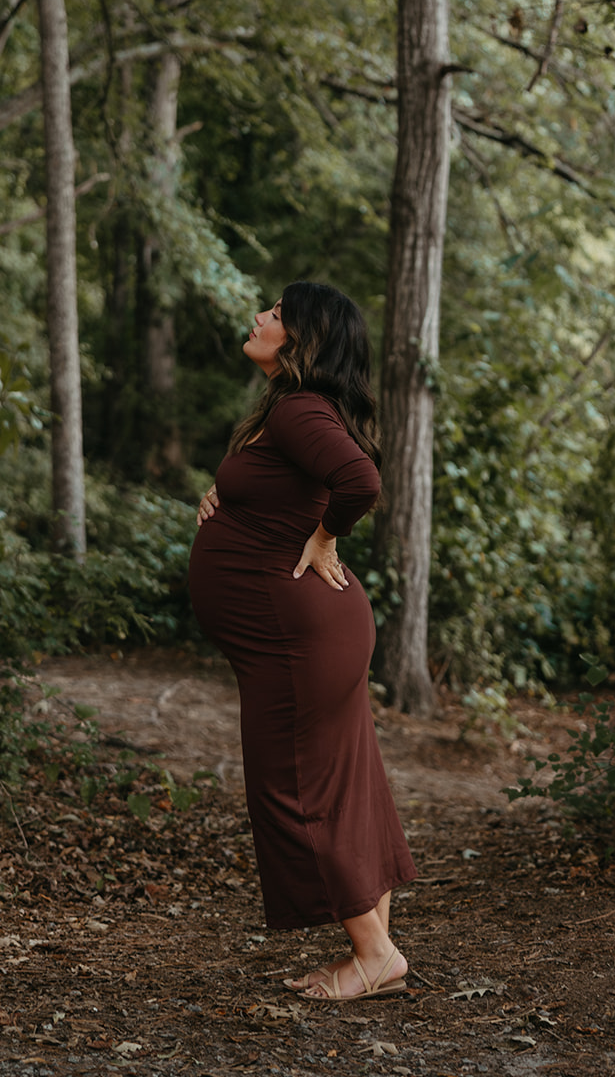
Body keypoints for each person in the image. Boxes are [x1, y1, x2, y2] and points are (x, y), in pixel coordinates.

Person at [188, 281, 417, 1001]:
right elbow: (291, 489)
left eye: (277, 314)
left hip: (298, 637)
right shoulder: (289, 412)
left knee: (292, 784)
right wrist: (224, 498)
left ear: (301, 340)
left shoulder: (297, 411)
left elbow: (357, 479)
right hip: (310, 632)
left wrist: (323, 537)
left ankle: (374, 955)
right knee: (344, 783)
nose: (260, 318)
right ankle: (374, 948)